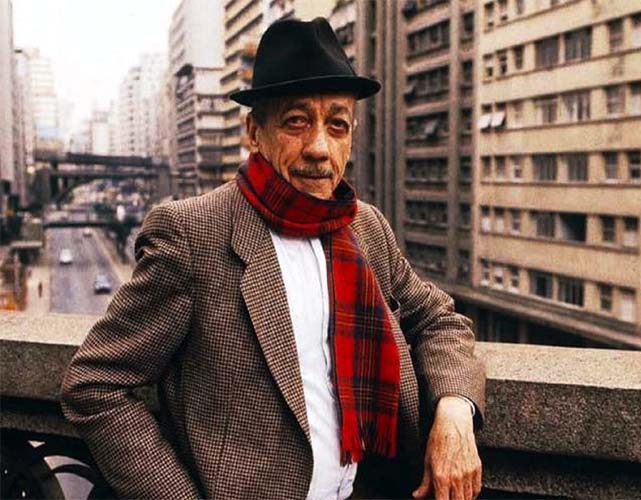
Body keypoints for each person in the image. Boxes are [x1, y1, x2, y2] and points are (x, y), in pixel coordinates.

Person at [61, 17, 485, 500]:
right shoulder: (192, 232)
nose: (320, 148)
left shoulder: (365, 227)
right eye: (296, 122)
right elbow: (96, 385)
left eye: (337, 125)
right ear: (254, 132)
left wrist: (455, 408)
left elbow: (438, 319)